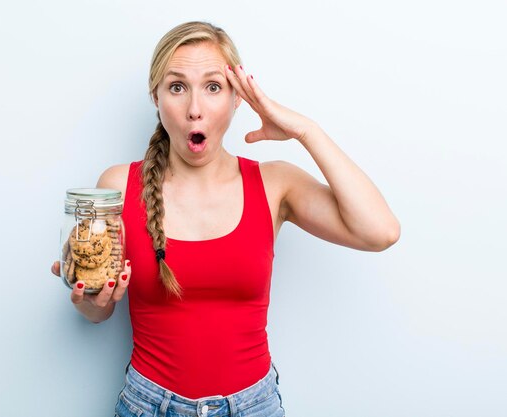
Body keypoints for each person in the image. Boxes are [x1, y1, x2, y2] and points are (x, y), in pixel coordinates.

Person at [51, 21, 400, 417]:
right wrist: (90, 301)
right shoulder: (117, 185)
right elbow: (99, 311)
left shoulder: (274, 183)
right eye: (177, 87)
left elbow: (380, 231)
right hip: (148, 405)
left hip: (255, 406)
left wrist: (305, 130)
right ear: (156, 96)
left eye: (213, 87)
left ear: (238, 99)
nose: (194, 109)